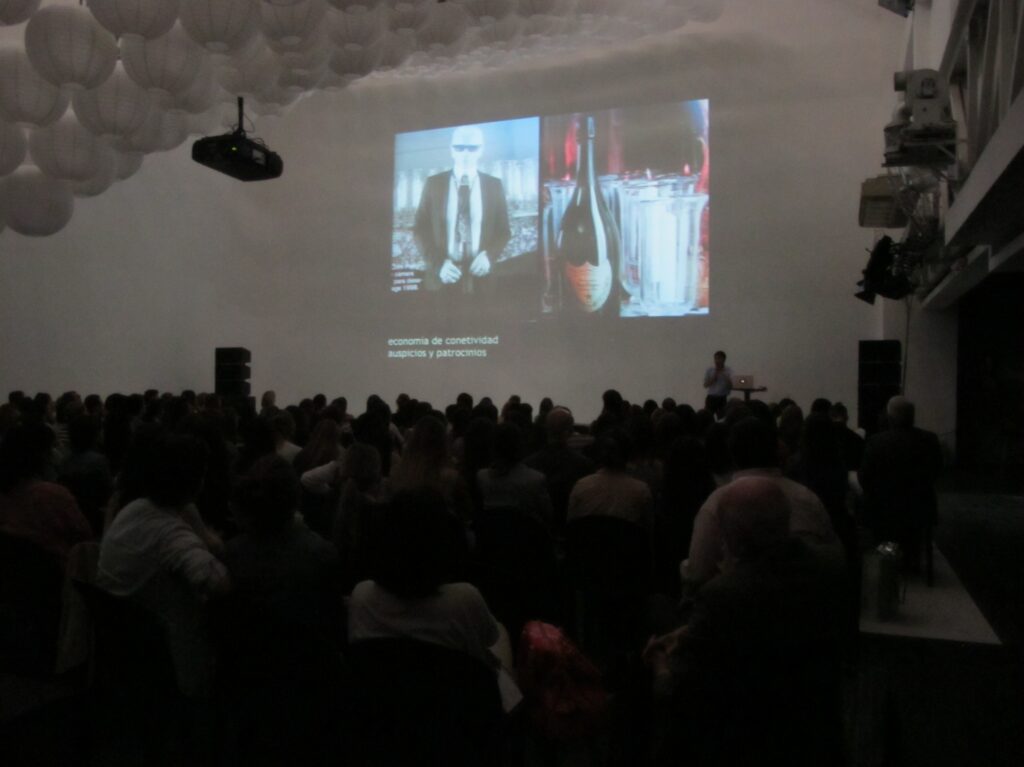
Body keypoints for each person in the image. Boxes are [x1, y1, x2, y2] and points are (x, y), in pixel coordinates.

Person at [413, 125, 511, 296]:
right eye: (459, 147)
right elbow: (419, 229)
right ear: (451, 150)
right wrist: (439, 265)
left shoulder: (494, 185)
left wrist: (489, 256)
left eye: (472, 148)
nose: (465, 154)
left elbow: (503, 231)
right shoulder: (433, 184)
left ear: (481, 150)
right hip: (441, 279)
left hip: (483, 279)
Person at [859, 396, 942, 570]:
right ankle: (911, 556)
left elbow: (865, 477)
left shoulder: (876, 442)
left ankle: (887, 560)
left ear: (889, 418)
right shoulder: (930, 440)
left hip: (885, 508)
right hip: (920, 506)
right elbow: (936, 471)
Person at [702, 350, 732, 417]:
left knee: (722, 417)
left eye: (719, 358)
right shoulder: (710, 370)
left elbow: (731, 386)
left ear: (724, 359)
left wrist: (723, 374)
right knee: (707, 417)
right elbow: (705, 385)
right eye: (715, 358)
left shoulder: (728, 370)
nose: (717, 361)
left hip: (722, 398)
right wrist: (714, 377)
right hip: (711, 398)